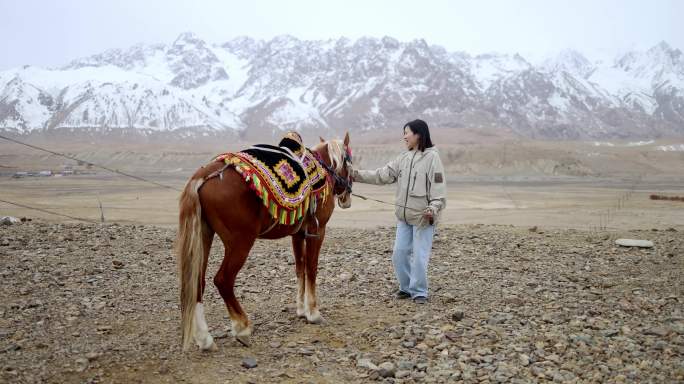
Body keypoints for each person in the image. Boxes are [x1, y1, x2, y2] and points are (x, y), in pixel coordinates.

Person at [353, 119, 446, 304]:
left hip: (423, 219)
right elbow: (381, 175)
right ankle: (405, 288)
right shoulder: (403, 158)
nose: (404, 136)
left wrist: (433, 208)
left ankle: (419, 292)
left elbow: (439, 190)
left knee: (419, 258)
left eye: (407, 132)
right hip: (403, 217)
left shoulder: (432, 158)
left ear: (418, 134)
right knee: (399, 254)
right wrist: (354, 174)